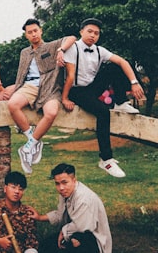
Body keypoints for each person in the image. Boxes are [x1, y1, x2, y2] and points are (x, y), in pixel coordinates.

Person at [61, 17, 146, 178]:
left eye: (96, 33)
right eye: (89, 31)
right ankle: (106, 159)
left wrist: (134, 83)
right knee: (103, 112)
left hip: (92, 88)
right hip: (76, 91)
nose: (93, 35)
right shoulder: (74, 48)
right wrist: (64, 98)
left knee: (114, 66)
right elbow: (70, 77)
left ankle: (120, 102)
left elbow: (123, 61)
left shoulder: (100, 50)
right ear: (81, 32)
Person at [31, 162, 113, 253]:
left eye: (65, 182)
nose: (61, 188)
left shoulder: (84, 198)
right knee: (45, 247)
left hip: (91, 238)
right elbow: (59, 214)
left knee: (78, 239)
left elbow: (82, 226)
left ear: (74, 180)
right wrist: (39, 217)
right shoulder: (65, 194)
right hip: (74, 231)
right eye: (57, 183)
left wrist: (63, 232)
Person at [7, 18, 76, 174]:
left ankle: (28, 147)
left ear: (41, 30)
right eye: (29, 32)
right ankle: (34, 140)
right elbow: (20, 75)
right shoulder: (24, 52)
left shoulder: (51, 46)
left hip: (50, 87)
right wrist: (15, 89)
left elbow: (72, 38)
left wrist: (61, 50)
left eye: (35, 31)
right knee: (12, 104)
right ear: (26, 35)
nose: (33, 34)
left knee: (51, 112)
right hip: (29, 86)